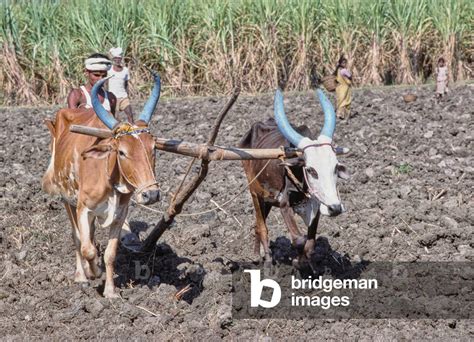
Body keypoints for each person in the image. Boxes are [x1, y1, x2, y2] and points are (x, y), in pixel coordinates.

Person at [108, 47, 134, 123]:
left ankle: (133, 131)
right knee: (115, 117)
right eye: (115, 58)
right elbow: (105, 84)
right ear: (113, 59)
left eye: (119, 59)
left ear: (121, 59)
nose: (117, 60)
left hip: (123, 97)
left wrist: (127, 95)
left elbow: (126, 84)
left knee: (130, 114)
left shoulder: (125, 70)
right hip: (113, 98)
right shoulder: (109, 70)